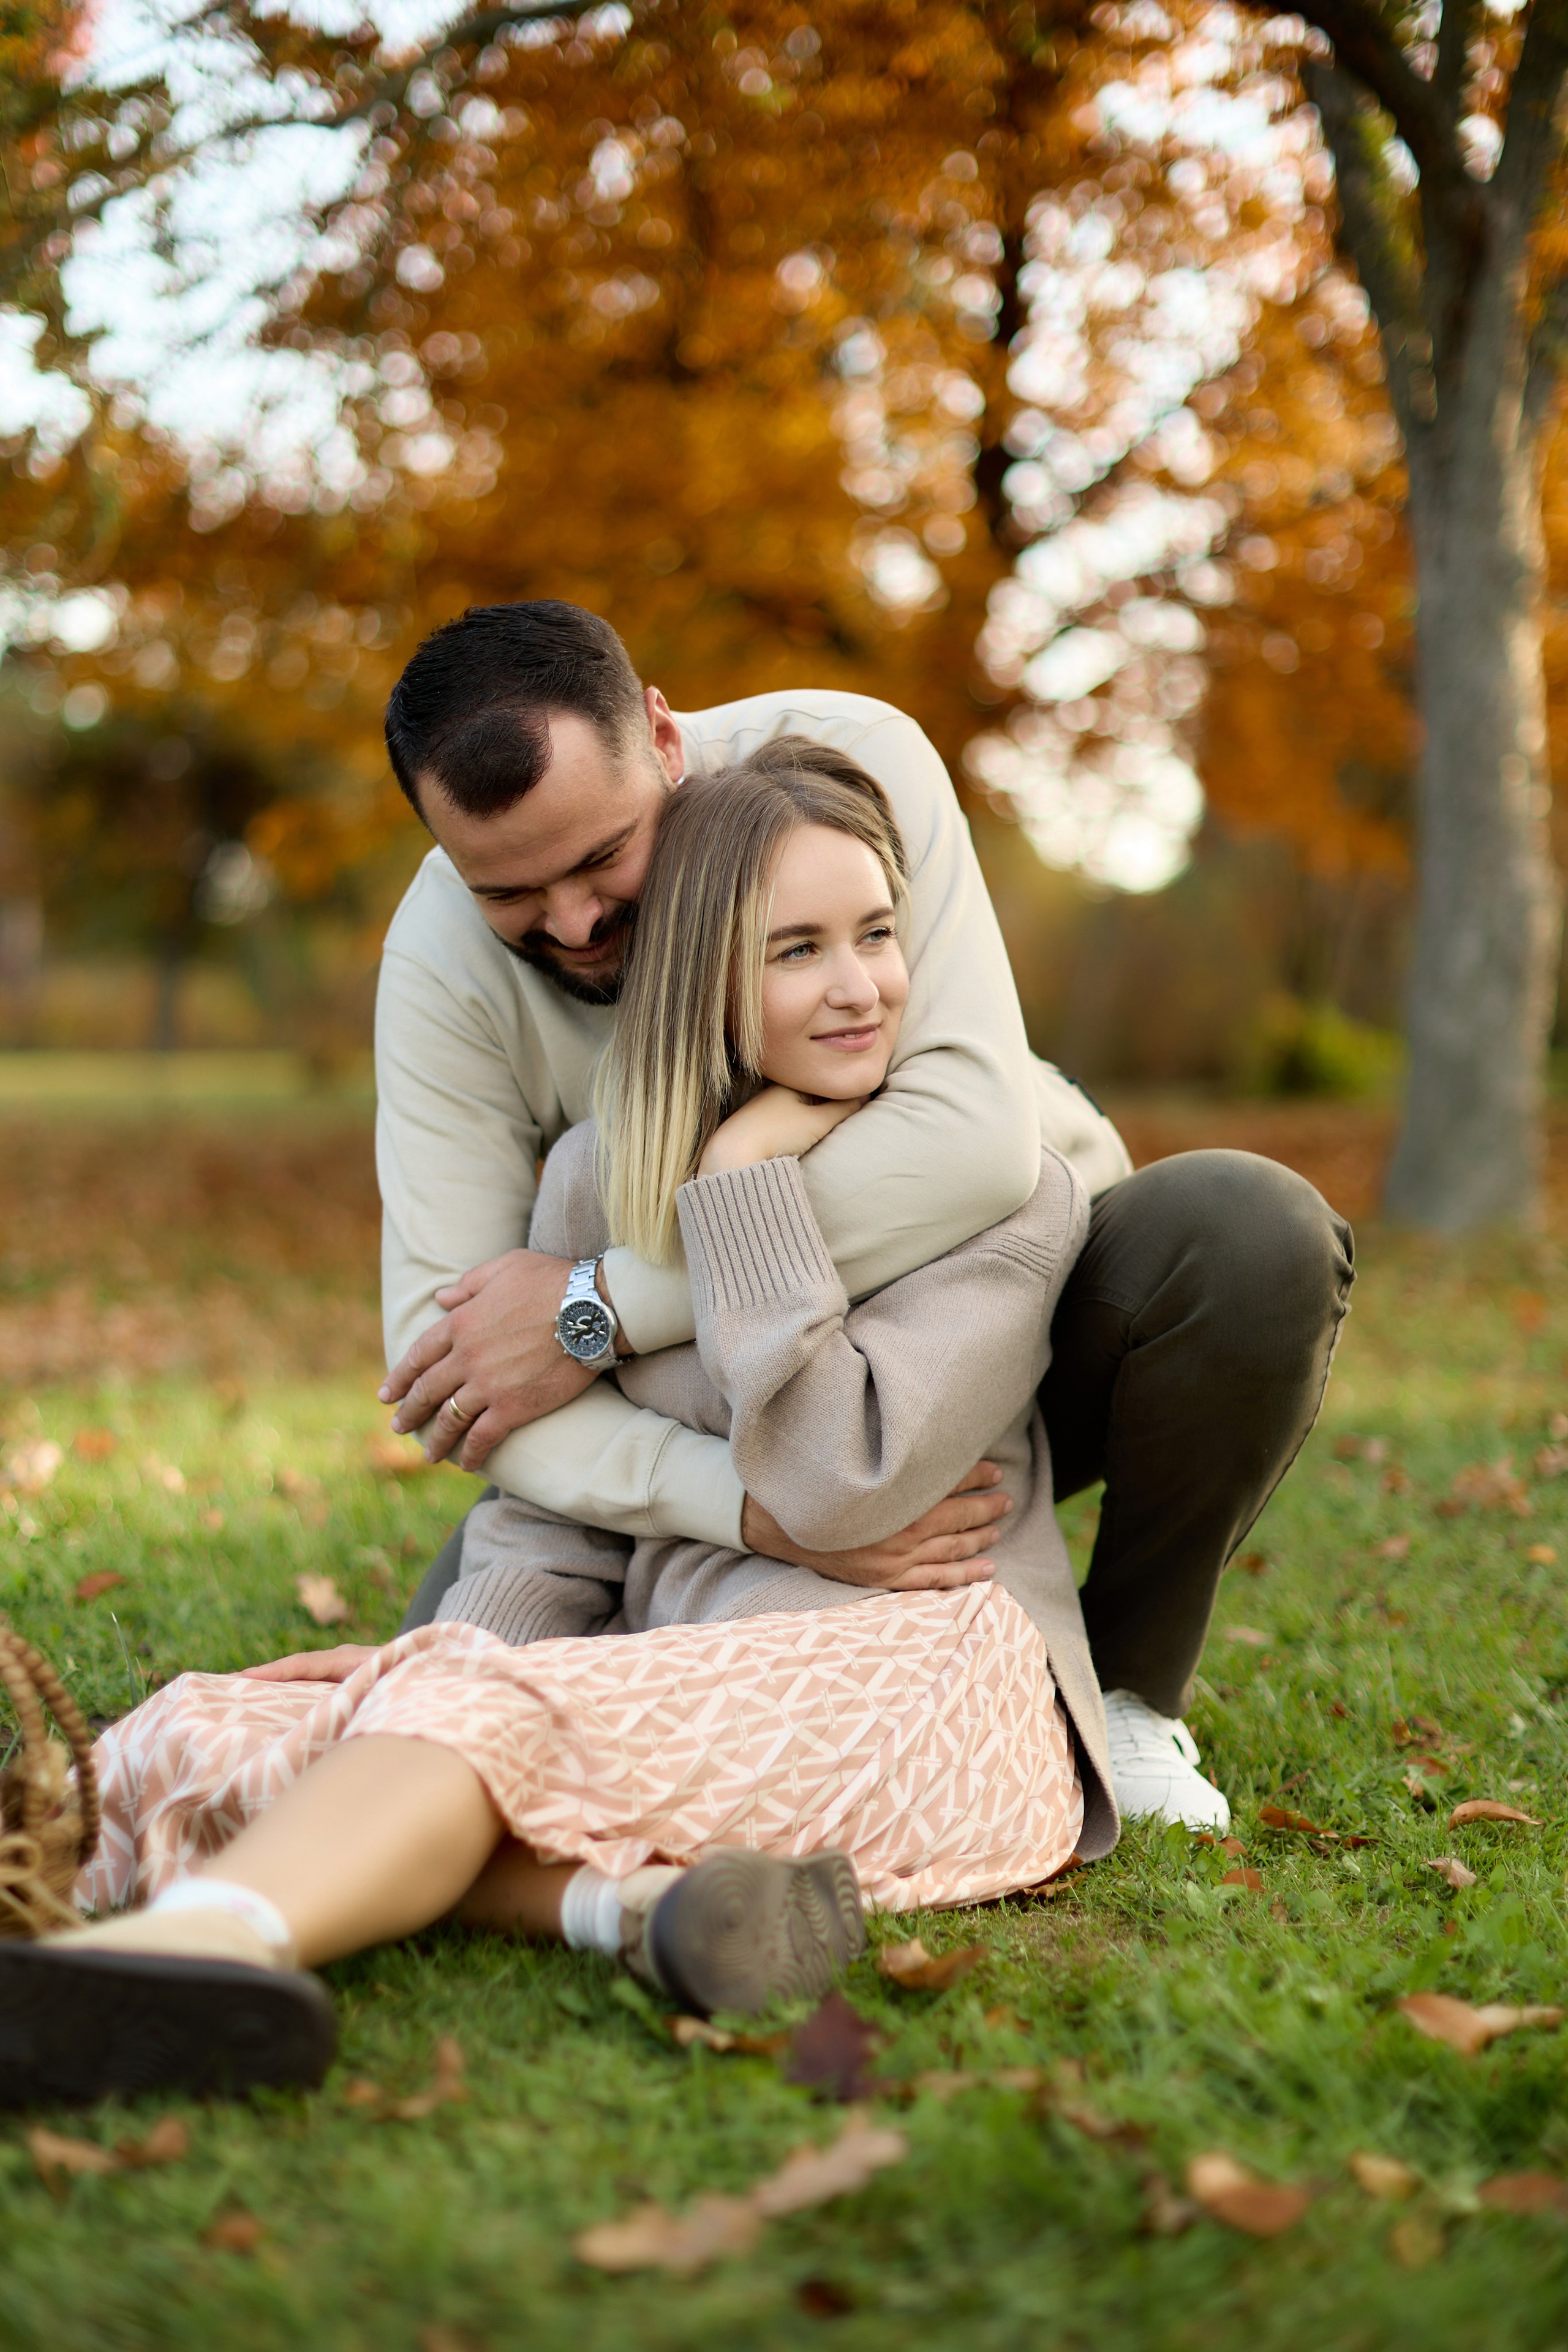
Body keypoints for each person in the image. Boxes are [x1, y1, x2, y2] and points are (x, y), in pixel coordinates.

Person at [0, 750, 1095, 2108]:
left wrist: (744, 1182)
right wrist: (441, 1665)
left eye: (876, 934)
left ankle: (207, 1946)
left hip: (920, 1688)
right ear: (698, 973)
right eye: (797, 950)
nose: (860, 985)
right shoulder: (595, 1175)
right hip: (665, 1684)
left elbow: (833, 1482)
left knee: (450, 1722)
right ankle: (626, 1910)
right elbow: (548, 1523)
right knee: (194, 1725)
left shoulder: (1001, 1193)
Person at [375, 601, 1353, 1832]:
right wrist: (753, 1516)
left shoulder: (848, 765)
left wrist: (598, 1307)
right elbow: (458, 1365)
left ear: (665, 742)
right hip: (713, 1417)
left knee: (1248, 1234)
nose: (571, 922)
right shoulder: (443, 967)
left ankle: (1123, 1692)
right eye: (511, 890)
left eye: (602, 857)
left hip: (980, 1332)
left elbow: (970, 1147)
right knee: (424, 1712)